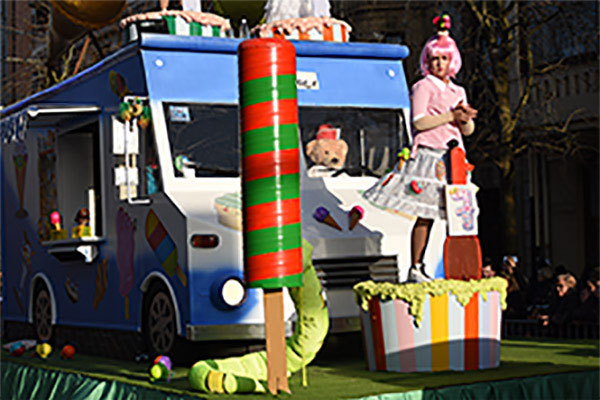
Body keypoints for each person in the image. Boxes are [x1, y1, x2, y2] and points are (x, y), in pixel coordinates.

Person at [364, 14, 477, 282]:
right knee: (425, 216)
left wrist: (465, 119)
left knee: (457, 217)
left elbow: (468, 131)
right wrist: (452, 116)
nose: (439, 63)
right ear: (428, 60)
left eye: (444, 58)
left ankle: (453, 268)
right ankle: (416, 266)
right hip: (429, 155)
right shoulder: (422, 86)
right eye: (435, 58)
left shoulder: (458, 91)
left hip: (455, 159)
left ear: (452, 60)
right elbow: (419, 121)